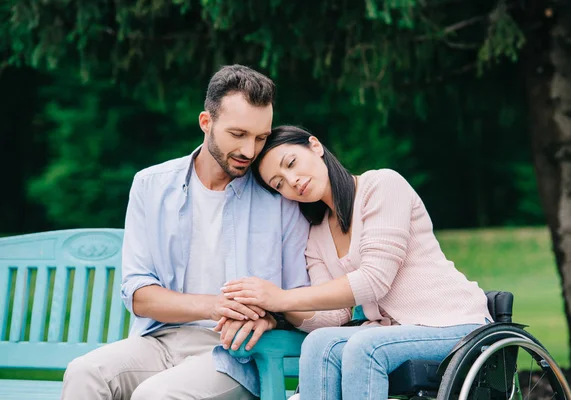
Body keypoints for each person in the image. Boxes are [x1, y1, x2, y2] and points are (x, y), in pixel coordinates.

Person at [60, 66, 311, 400]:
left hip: (235, 355)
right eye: (238, 134)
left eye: (260, 138)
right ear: (206, 123)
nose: (250, 151)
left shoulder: (280, 197)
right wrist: (213, 306)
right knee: (83, 373)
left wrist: (270, 319)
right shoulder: (150, 185)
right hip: (158, 342)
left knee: (154, 395)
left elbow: (298, 297)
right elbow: (139, 294)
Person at [220, 125, 493, 400]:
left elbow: (374, 280)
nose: (292, 181)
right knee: (318, 343)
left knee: (364, 347)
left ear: (315, 146)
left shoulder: (383, 186)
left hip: (454, 323)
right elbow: (335, 316)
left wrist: (280, 299)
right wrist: (271, 305)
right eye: (278, 183)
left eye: (291, 163)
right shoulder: (316, 235)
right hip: (391, 334)